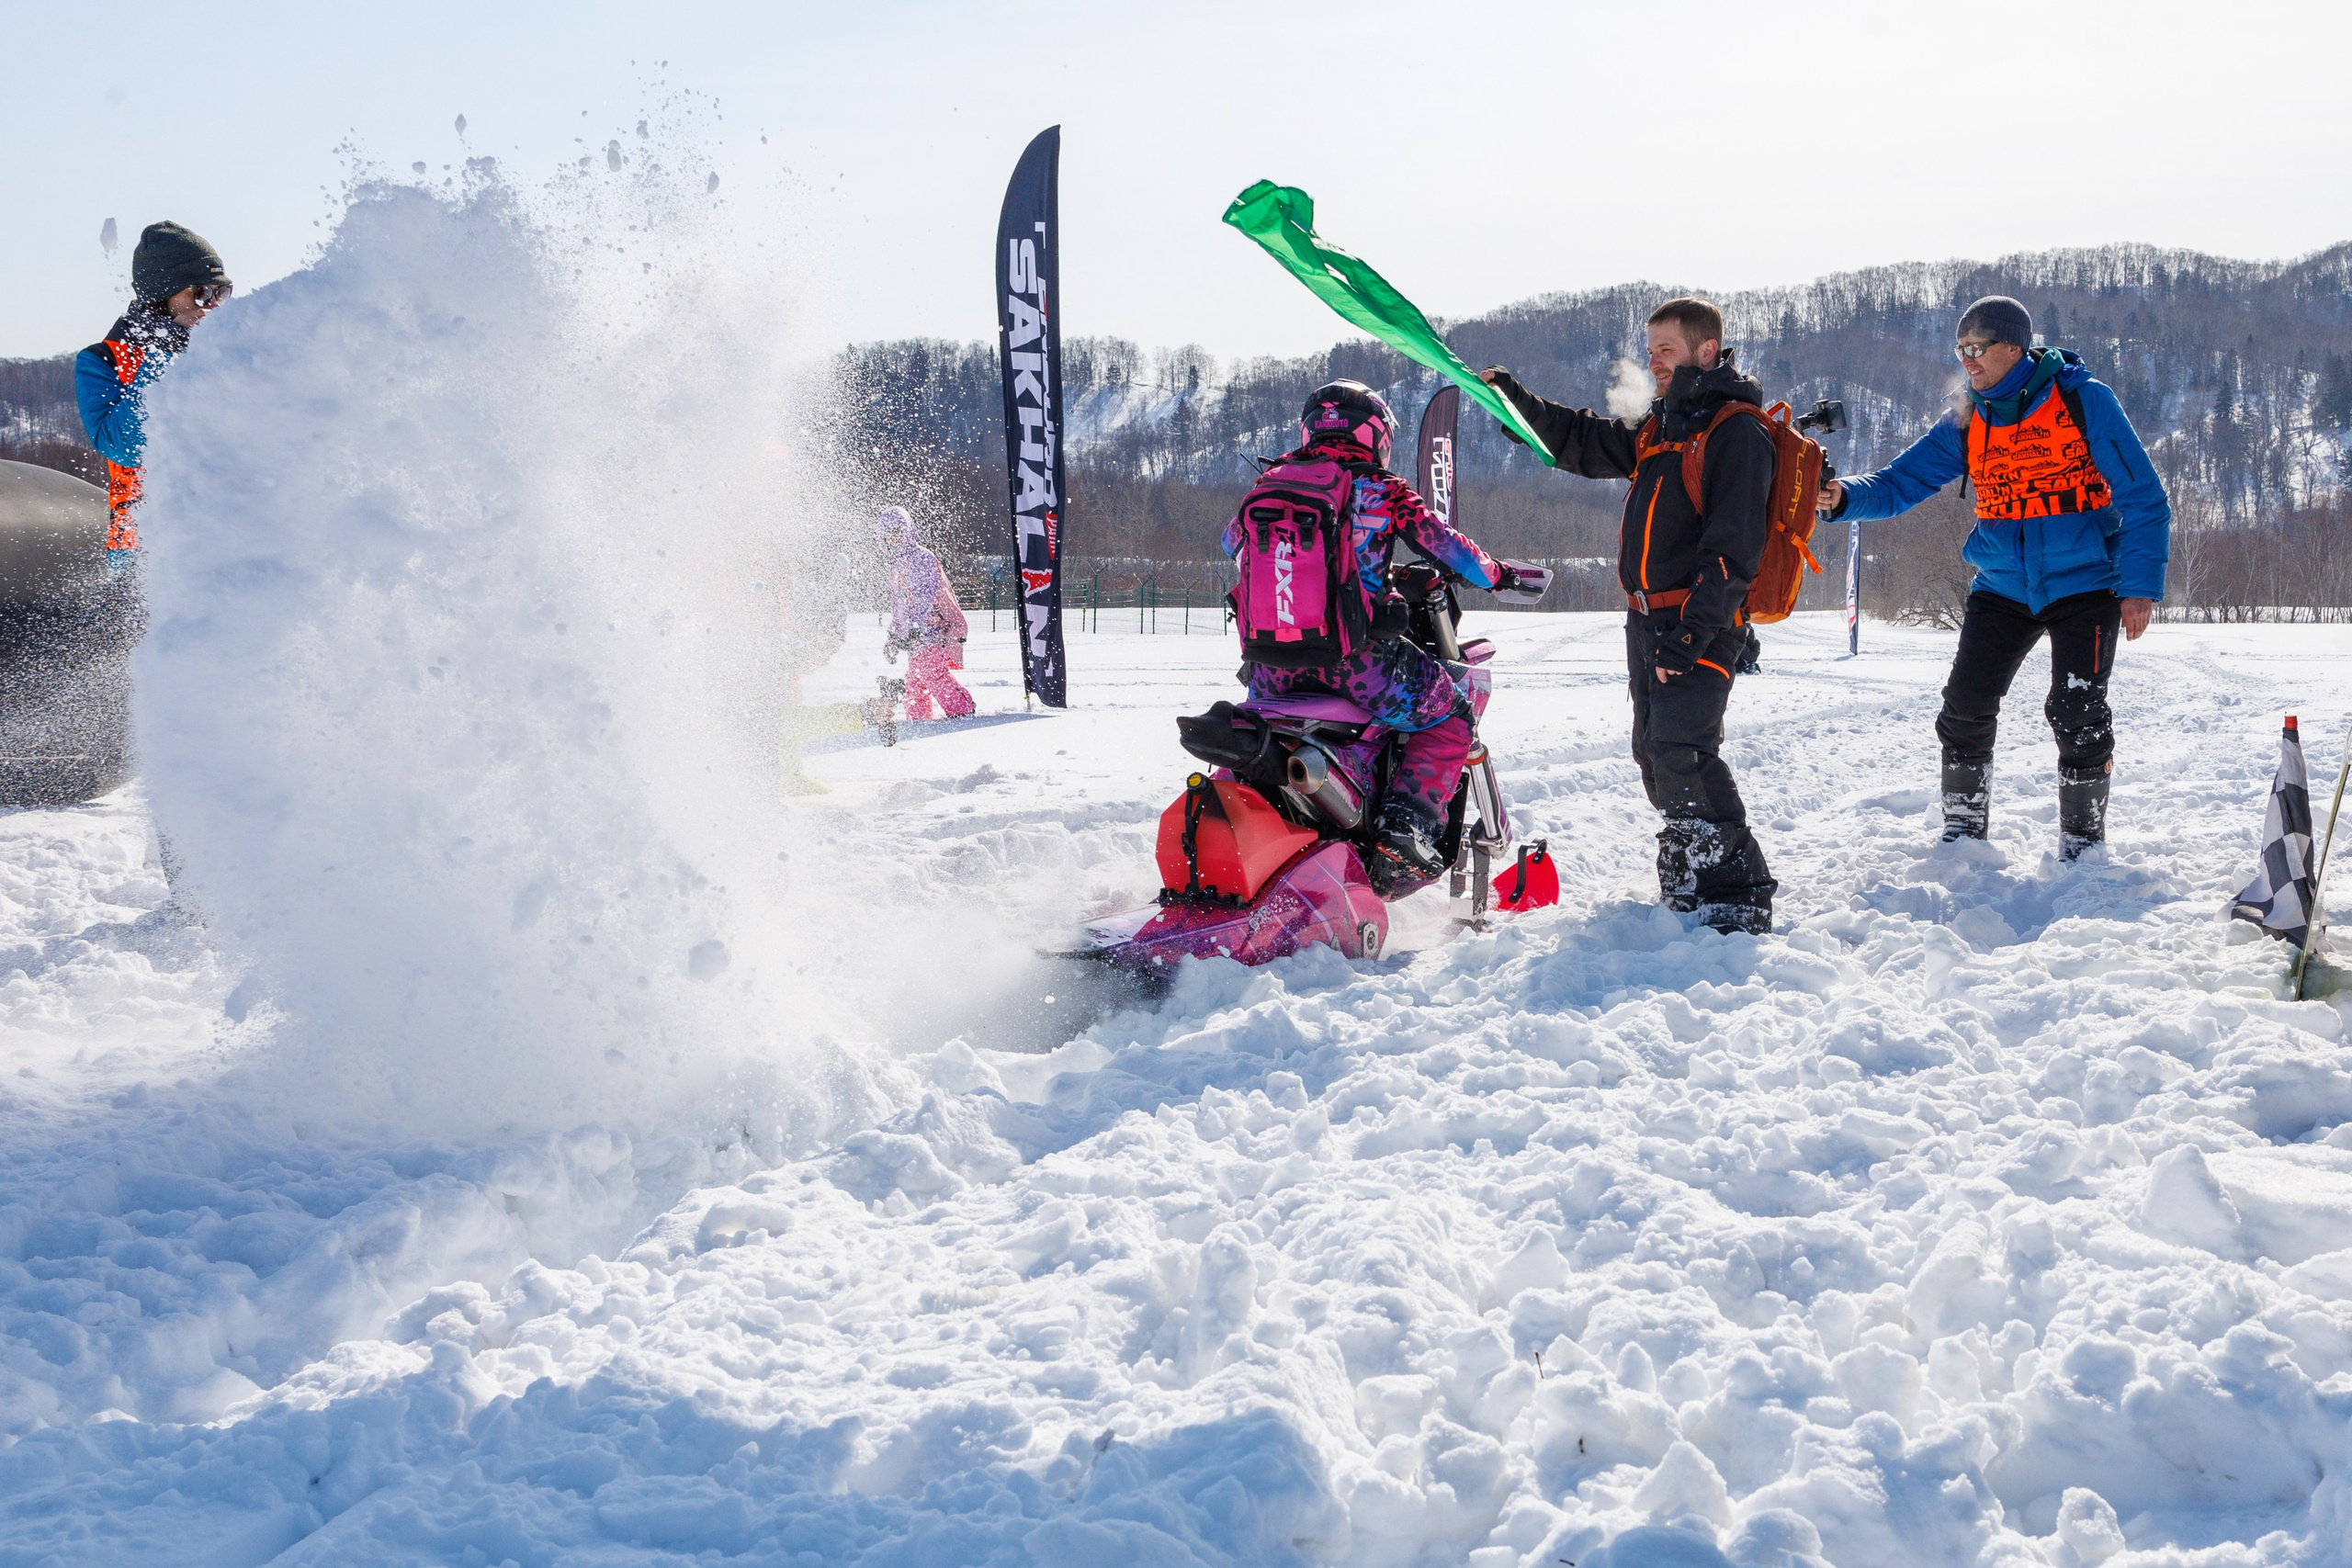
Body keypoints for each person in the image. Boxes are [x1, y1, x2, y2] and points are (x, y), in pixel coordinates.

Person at [1818, 296, 2170, 860]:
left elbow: (2145, 499)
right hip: (2003, 583)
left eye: (1978, 349)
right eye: (1961, 351)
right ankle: (1963, 836)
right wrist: (1843, 498)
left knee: (2075, 708)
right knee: (1964, 705)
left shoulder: (2085, 401)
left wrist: (2139, 586)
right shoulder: (1968, 416)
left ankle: (2083, 844)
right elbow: (1900, 481)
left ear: (2015, 348)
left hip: (2086, 582)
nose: (1969, 361)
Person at [1479, 299, 1779, 934]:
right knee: (1653, 750)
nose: (1653, 361)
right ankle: (1690, 872)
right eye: (1650, 350)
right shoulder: (1659, 428)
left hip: (1698, 622)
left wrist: (1694, 634)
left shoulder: (1736, 430)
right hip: (1645, 621)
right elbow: (1582, 441)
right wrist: (1515, 404)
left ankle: (1739, 889)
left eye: (1665, 350)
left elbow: (1733, 548)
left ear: (1704, 351)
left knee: (1683, 748)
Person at [1228, 379, 1519, 886]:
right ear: (1376, 435)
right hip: (1355, 664)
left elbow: (1232, 543)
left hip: (1270, 670)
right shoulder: (1382, 488)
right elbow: (1443, 544)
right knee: (1451, 716)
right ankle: (1404, 831)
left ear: (1308, 428)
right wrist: (1498, 575)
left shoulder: (1269, 484)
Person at [74, 222, 233, 575]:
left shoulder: (225, 355)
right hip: (145, 551)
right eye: (203, 293)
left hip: (226, 535)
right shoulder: (102, 360)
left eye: (221, 294)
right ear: (164, 293)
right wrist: (165, 356)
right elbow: (123, 445)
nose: (213, 307)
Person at [878, 506, 976, 721]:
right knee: (915, 680)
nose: (893, 538)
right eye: (888, 533)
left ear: (907, 531)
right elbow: (900, 605)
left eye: (897, 532)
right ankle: (919, 720)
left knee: (931, 672)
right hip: (919, 635)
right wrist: (894, 635)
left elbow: (925, 598)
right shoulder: (897, 565)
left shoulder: (921, 558)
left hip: (937, 628)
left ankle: (963, 711)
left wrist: (915, 628)